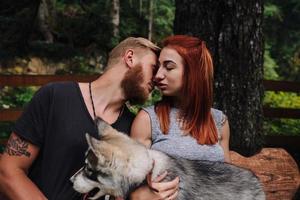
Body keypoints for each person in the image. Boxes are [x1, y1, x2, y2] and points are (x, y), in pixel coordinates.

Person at [0, 37, 178, 200]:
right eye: (154, 68)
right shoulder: (55, 97)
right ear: (130, 58)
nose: (157, 78)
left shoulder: (135, 126)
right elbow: (9, 170)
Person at [130, 35, 231, 186]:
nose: (158, 76)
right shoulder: (148, 119)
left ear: (193, 72)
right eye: (158, 67)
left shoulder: (219, 121)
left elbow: (229, 179)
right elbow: (133, 184)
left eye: (169, 67)